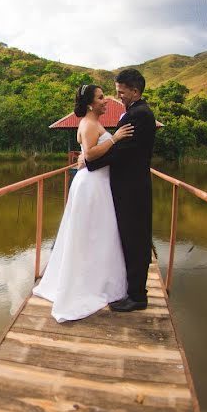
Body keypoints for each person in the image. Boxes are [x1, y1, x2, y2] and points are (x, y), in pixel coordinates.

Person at [33, 84, 134, 321]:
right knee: (90, 234)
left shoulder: (95, 123)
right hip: (91, 185)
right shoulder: (88, 124)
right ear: (90, 104)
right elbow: (89, 155)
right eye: (100, 98)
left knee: (99, 234)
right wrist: (116, 138)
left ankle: (98, 278)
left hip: (98, 184)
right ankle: (85, 284)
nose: (105, 101)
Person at [83, 68, 157, 312]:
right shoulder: (137, 113)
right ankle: (133, 290)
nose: (118, 97)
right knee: (131, 237)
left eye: (121, 92)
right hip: (132, 186)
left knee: (135, 240)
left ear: (134, 91)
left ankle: (137, 296)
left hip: (132, 189)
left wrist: (92, 162)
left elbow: (122, 152)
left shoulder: (138, 115)